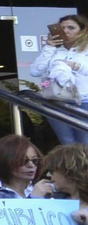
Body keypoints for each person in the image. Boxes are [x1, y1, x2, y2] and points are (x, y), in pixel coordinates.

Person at [30, 14, 88, 145]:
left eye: (71, 28)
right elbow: (34, 71)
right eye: (62, 28)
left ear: (82, 30)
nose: (66, 31)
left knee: (84, 143)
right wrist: (49, 47)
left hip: (84, 101)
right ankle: (72, 166)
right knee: (67, 142)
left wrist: (76, 66)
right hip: (57, 101)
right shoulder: (55, 51)